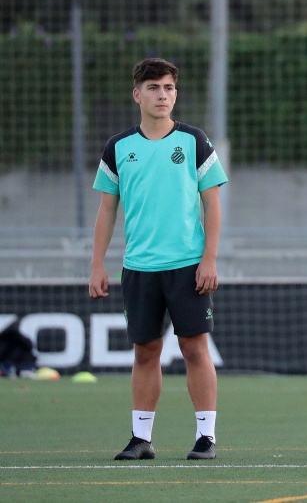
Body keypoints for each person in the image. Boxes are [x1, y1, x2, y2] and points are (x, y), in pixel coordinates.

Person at [89, 57, 228, 461]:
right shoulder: (119, 147)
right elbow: (107, 210)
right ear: (137, 95)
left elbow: (212, 204)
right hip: (139, 268)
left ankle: (206, 438)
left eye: (168, 88)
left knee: (195, 349)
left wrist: (209, 258)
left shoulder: (194, 141)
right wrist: (97, 264)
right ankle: (141, 438)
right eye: (153, 88)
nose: (162, 95)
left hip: (187, 265)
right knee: (144, 351)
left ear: (175, 94)